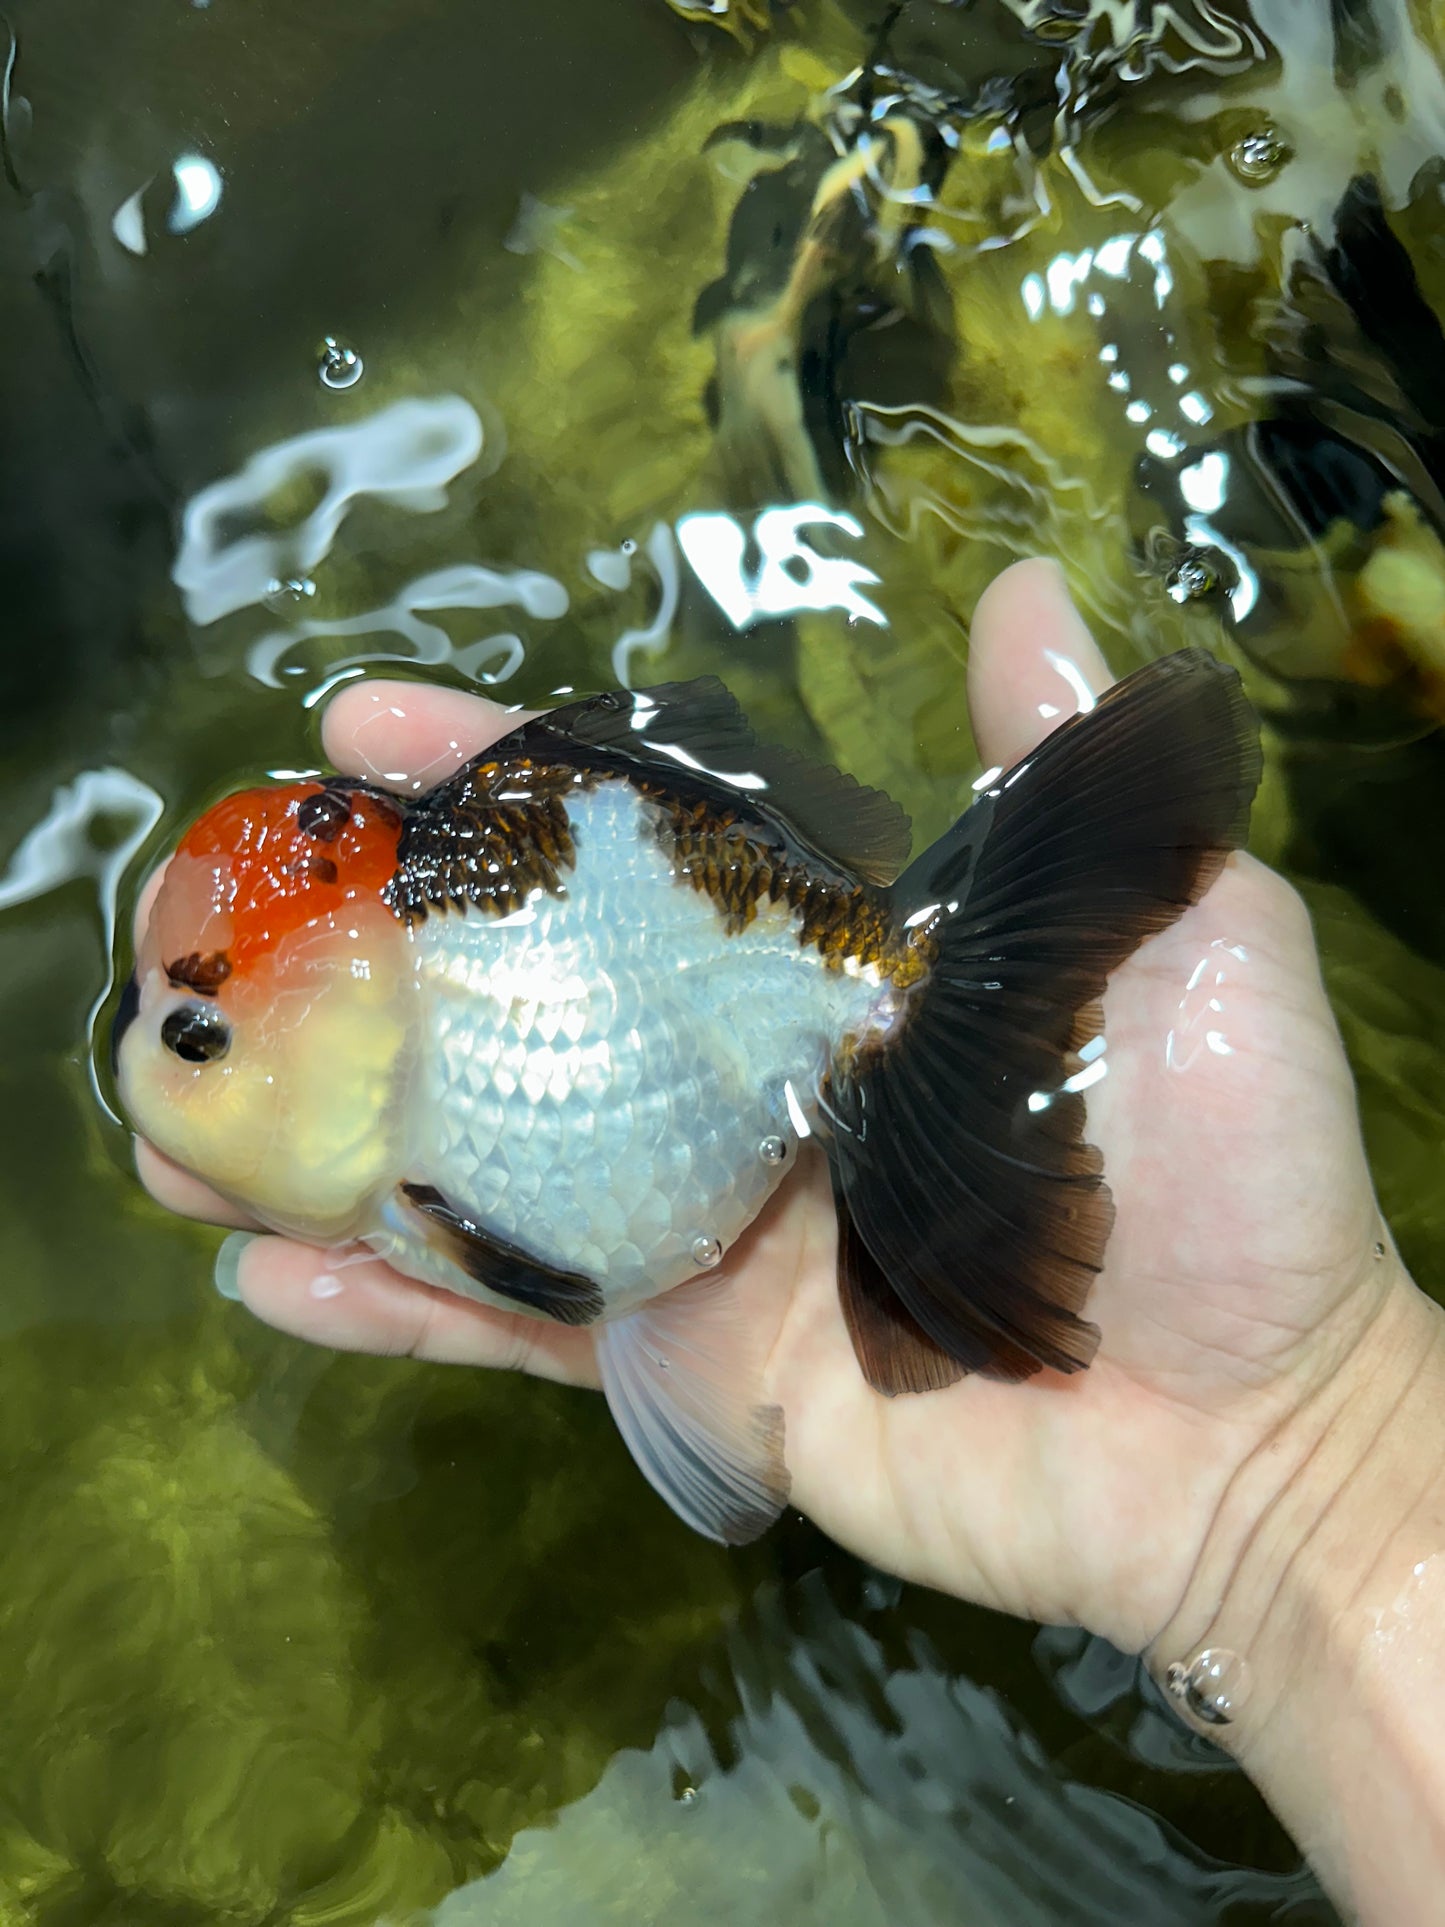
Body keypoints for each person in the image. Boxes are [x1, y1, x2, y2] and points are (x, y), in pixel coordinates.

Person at [134, 559, 1445, 1926]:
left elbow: (557, 1273)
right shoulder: (414, 1118)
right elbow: (587, 1291)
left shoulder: (432, 1162)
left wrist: (1306, 1461)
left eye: (195, 1038)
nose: (159, 1069)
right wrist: (1307, 1492)